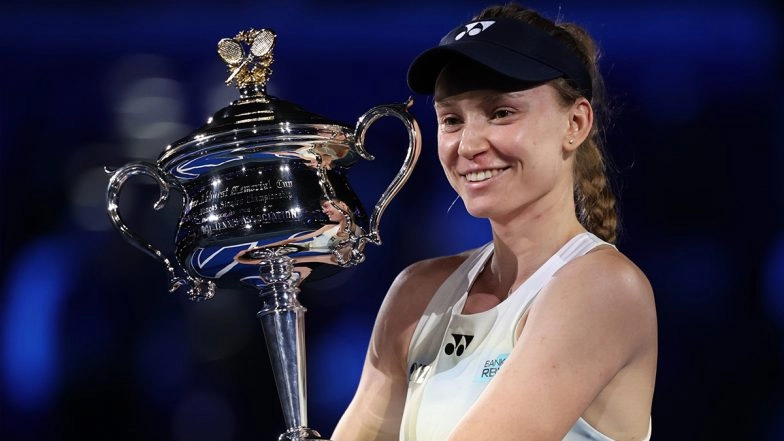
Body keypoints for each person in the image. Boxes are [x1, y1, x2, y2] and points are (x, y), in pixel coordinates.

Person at [332, 3, 657, 441]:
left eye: (501, 112)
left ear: (575, 123)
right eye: (451, 120)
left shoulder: (603, 288)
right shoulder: (416, 294)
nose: (468, 144)